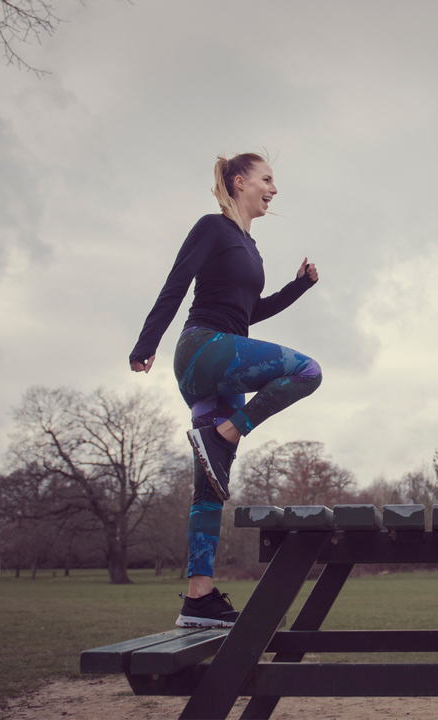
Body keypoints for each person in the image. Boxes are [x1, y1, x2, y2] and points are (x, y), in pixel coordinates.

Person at [129, 152, 321, 628]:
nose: (274, 189)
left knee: (210, 488)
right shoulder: (212, 228)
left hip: (225, 366)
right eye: (267, 179)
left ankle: (199, 598)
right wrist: (145, 343)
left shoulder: (250, 249)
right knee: (307, 372)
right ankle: (223, 434)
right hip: (202, 351)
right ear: (240, 182)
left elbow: (247, 314)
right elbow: (176, 285)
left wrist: (298, 288)